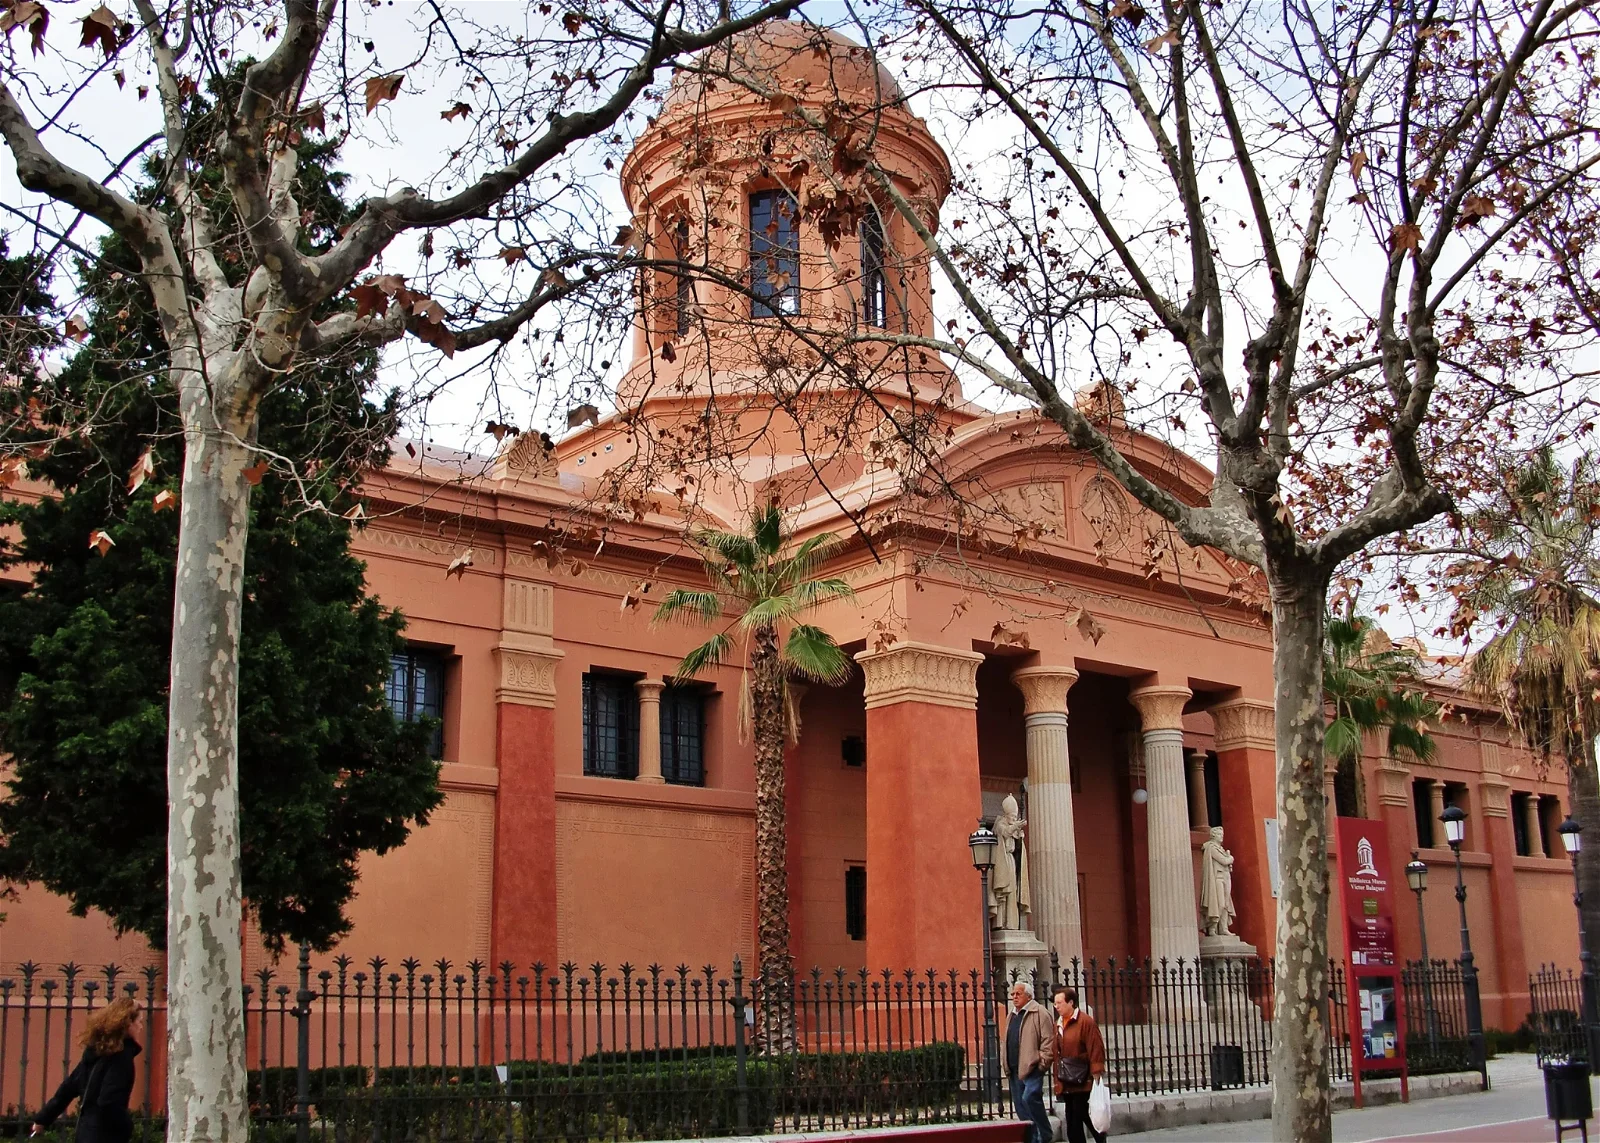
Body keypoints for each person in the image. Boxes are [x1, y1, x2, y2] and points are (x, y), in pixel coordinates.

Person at [31, 997, 141, 1142]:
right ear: (128, 1024)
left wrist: (43, 1118)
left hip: (85, 1133)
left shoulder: (95, 1053)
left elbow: (68, 1088)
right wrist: (127, 1126)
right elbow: (110, 1101)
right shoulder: (121, 1057)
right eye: (139, 1021)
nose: (141, 1026)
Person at [1053, 985, 1107, 1143]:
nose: (1056, 1006)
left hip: (1082, 1077)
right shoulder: (1059, 1023)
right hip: (1067, 1077)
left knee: (1083, 1113)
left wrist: (1096, 1072)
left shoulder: (1085, 1022)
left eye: (1059, 1003)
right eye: (1055, 1003)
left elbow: (1096, 1047)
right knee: (1072, 1119)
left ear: (1071, 1003)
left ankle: (1100, 1138)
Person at [1003, 979, 1054, 1143]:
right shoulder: (1012, 1014)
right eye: (1012, 994)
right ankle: (1033, 1138)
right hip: (1014, 1068)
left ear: (1029, 996)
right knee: (1020, 1106)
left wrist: (1042, 1063)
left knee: (1030, 1098)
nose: (1014, 997)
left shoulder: (1039, 1012)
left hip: (1032, 1067)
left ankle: (1045, 1133)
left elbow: (1048, 1041)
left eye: (1018, 993)